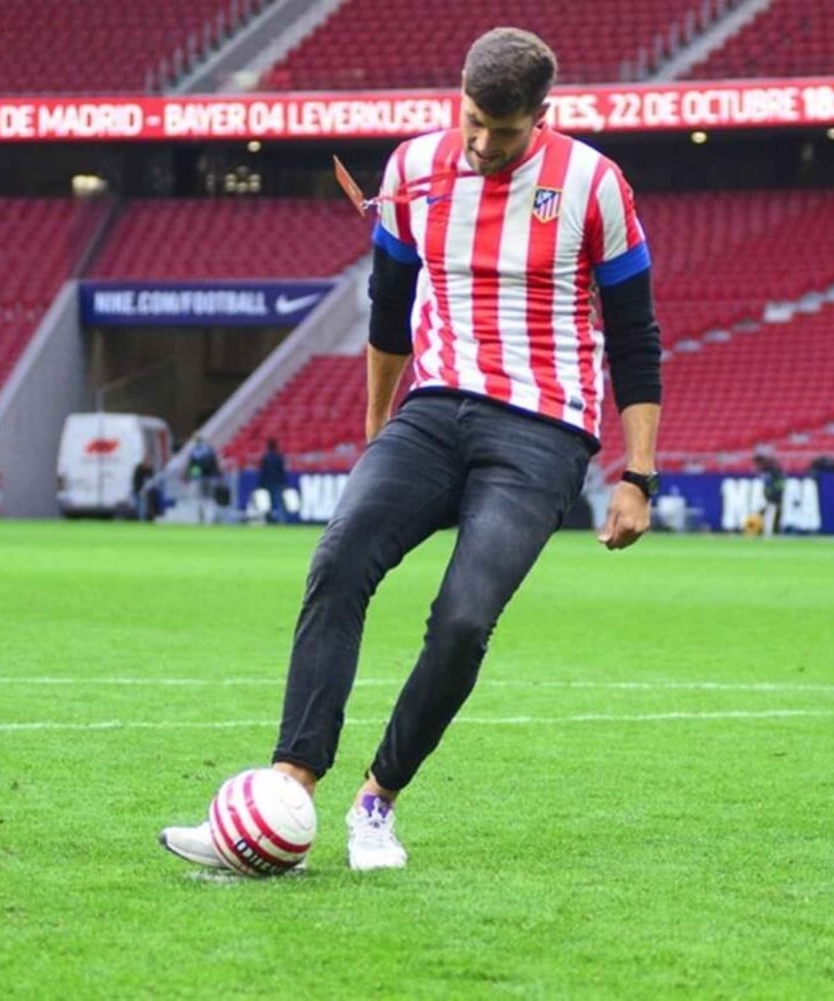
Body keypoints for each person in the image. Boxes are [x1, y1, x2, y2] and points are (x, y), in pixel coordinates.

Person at [160, 26, 662, 873]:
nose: (481, 143)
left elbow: (636, 336)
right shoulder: (409, 171)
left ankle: (376, 801)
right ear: (458, 95)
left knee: (463, 620)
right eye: (471, 120)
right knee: (339, 557)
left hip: (541, 431)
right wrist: (374, 429)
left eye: (503, 132)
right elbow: (389, 311)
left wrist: (637, 475)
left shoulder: (594, 186)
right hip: (430, 412)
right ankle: (289, 784)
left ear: (543, 116)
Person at [185, 435, 221, 524]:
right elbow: (215, 464)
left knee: (200, 497)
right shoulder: (210, 450)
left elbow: (192, 465)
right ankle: (211, 517)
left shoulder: (195, 451)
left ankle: (201, 516)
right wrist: (217, 475)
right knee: (211, 497)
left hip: (199, 477)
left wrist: (190, 475)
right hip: (210, 477)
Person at [258, 438, 289, 523]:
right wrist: (284, 482)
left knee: (270, 502)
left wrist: (261, 484)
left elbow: (263, 472)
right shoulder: (279, 457)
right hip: (278, 482)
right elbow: (282, 471)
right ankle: (281, 519)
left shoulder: (266, 458)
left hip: (268, 483)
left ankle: (272, 519)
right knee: (278, 501)